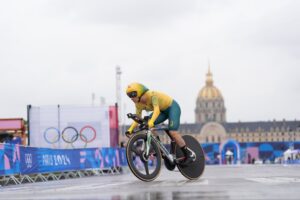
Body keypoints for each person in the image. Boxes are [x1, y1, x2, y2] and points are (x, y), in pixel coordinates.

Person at [125, 82, 196, 165]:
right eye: (129, 95)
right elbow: (138, 118)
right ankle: (159, 148)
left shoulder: (152, 95)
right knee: (146, 124)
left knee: (173, 132)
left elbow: (156, 110)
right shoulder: (138, 104)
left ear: (140, 92)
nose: (131, 98)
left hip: (172, 108)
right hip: (162, 112)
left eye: (133, 94)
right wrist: (130, 129)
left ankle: (189, 154)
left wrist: (151, 122)